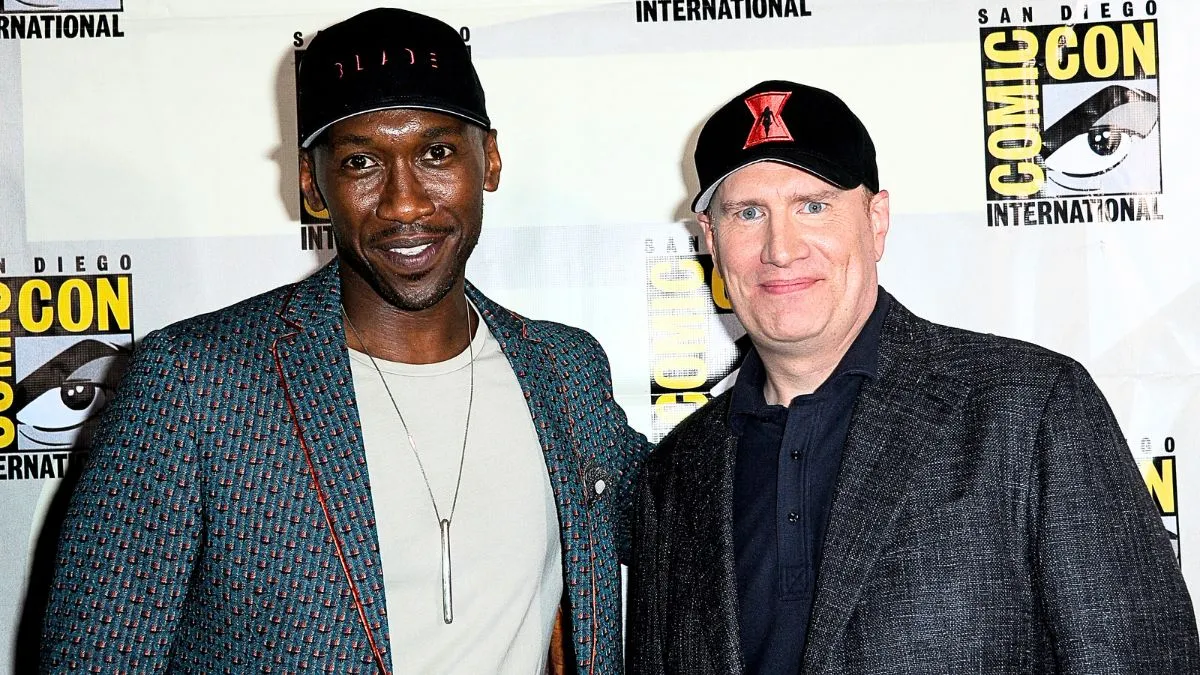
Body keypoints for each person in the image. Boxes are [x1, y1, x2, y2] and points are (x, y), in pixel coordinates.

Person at [40, 8, 649, 674]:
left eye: (437, 152)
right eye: (361, 162)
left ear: (491, 159)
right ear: (312, 182)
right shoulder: (196, 382)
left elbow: (693, 518)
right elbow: (96, 654)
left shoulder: (565, 370)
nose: (405, 203)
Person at [626, 80, 1198, 674]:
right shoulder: (676, 474)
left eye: (813, 206)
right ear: (711, 240)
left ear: (876, 222)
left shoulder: (1028, 411)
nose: (781, 248)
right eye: (748, 214)